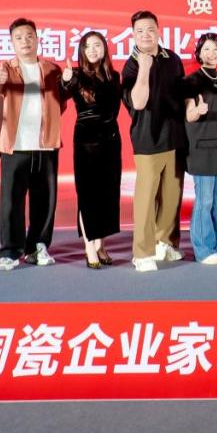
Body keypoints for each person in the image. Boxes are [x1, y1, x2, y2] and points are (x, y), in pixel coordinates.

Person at [0, 18, 66, 271]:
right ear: (11, 42)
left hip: (46, 144)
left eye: (29, 36)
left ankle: (37, 246)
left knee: (45, 200)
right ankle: (10, 250)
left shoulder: (52, 69)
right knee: (12, 201)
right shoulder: (4, 68)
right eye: (19, 37)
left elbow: (61, 103)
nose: (25, 41)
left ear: (37, 38)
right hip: (16, 144)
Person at [122, 10, 187, 272]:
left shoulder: (173, 58)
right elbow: (138, 102)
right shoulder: (131, 65)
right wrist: (145, 68)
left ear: (158, 30)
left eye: (150, 29)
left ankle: (165, 242)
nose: (145, 35)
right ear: (133, 35)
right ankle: (142, 252)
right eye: (139, 31)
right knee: (146, 199)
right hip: (147, 139)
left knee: (172, 195)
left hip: (175, 137)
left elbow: (182, 94)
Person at [62, 31, 122, 269]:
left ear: (104, 48)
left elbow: (115, 107)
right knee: (88, 194)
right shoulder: (76, 75)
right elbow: (65, 88)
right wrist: (66, 79)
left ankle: (101, 244)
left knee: (108, 193)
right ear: (82, 51)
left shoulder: (113, 76)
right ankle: (89, 247)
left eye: (97, 45)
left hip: (111, 139)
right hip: (87, 140)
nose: (93, 50)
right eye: (88, 46)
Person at [184, 33, 217, 265]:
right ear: (199, 53)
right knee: (204, 201)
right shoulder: (191, 81)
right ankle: (203, 250)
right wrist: (197, 111)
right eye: (206, 49)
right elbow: (188, 115)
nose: (212, 53)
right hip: (201, 146)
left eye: (216, 49)